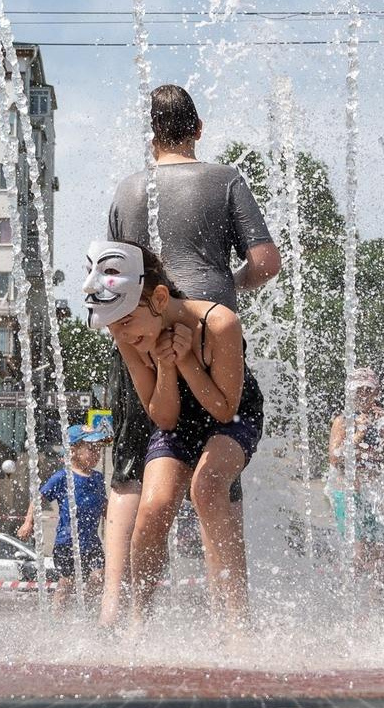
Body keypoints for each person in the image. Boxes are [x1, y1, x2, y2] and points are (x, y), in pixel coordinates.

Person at [100, 83, 280, 628]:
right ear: (198, 130)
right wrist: (224, 285)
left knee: (132, 473)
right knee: (212, 484)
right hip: (199, 341)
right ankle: (230, 611)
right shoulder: (225, 180)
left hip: (148, 342)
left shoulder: (128, 189)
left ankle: (116, 610)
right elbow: (266, 263)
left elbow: (110, 275)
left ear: (151, 137)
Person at [84, 241, 263, 628]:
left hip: (232, 419)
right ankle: (138, 623)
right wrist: (166, 366)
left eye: (127, 321)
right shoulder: (127, 336)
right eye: (114, 326)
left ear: (160, 297)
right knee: (153, 506)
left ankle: (235, 622)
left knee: (208, 486)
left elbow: (223, 409)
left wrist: (185, 360)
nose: (123, 334)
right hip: (178, 423)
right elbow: (163, 419)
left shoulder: (219, 324)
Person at [17, 424, 110, 609]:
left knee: (99, 576)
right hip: (67, 542)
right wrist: (28, 523)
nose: (97, 453)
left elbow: (105, 506)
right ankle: (57, 616)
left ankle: (87, 610)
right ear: (73, 451)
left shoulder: (98, 478)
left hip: (91, 542)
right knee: (67, 582)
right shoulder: (62, 477)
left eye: (98, 449)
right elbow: (38, 498)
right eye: (91, 449)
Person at [326, 367, 384, 578]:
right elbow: (335, 458)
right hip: (348, 492)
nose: (363, 395)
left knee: (380, 554)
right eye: (359, 390)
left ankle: (375, 603)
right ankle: (352, 598)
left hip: (373, 493)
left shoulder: (382, 420)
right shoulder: (343, 421)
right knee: (359, 553)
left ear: (377, 392)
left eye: (368, 390)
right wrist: (359, 434)